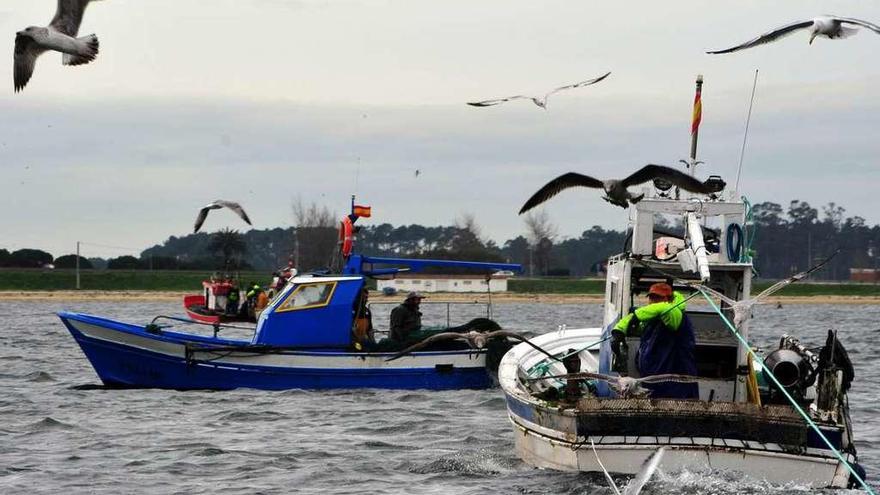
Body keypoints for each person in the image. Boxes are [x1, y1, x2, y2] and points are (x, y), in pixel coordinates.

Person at [611, 282, 698, 399]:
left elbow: (663, 308)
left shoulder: (675, 313)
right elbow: (635, 320)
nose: (653, 301)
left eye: (658, 297)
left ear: (669, 299)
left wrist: (638, 315)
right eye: (651, 297)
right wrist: (619, 331)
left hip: (676, 383)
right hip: (653, 381)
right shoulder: (652, 318)